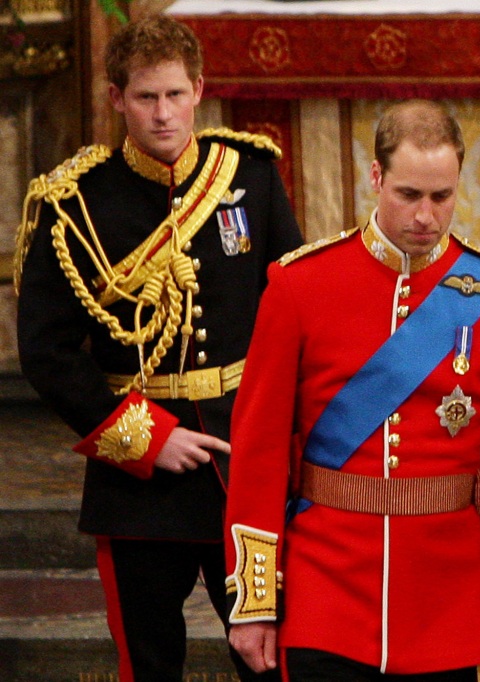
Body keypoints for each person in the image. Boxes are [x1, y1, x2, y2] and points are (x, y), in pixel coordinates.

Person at [222, 99, 480, 681]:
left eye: (443, 197)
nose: (426, 217)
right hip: (326, 589)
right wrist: (255, 602)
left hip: (447, 596)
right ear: (376, 176)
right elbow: (258, 452)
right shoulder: (299, 285)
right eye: (409, 195)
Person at [13, 15, 303, 682]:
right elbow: (47, 351)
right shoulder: (75, 204)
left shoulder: (250, 177)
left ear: (200, 89)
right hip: (139, 481)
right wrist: (146, 439)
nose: (163, 114)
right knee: (148, 665)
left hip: (243, 466)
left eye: (175, 95)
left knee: (270, 658)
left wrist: (285, 434)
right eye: (145, 98)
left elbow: (292, 315)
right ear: (116, 99)